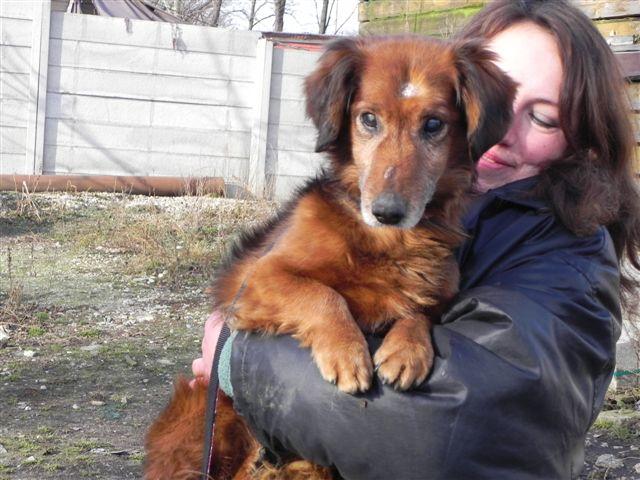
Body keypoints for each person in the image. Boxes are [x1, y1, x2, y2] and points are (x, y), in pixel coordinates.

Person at [191, 0, 640, 477]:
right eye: (370, 121)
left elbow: (453, 423)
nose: (499, 132)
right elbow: (262, 286)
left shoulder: (566, 257)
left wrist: (239, 361)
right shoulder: (452, 215)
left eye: (543, 118)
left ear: (585, 137)